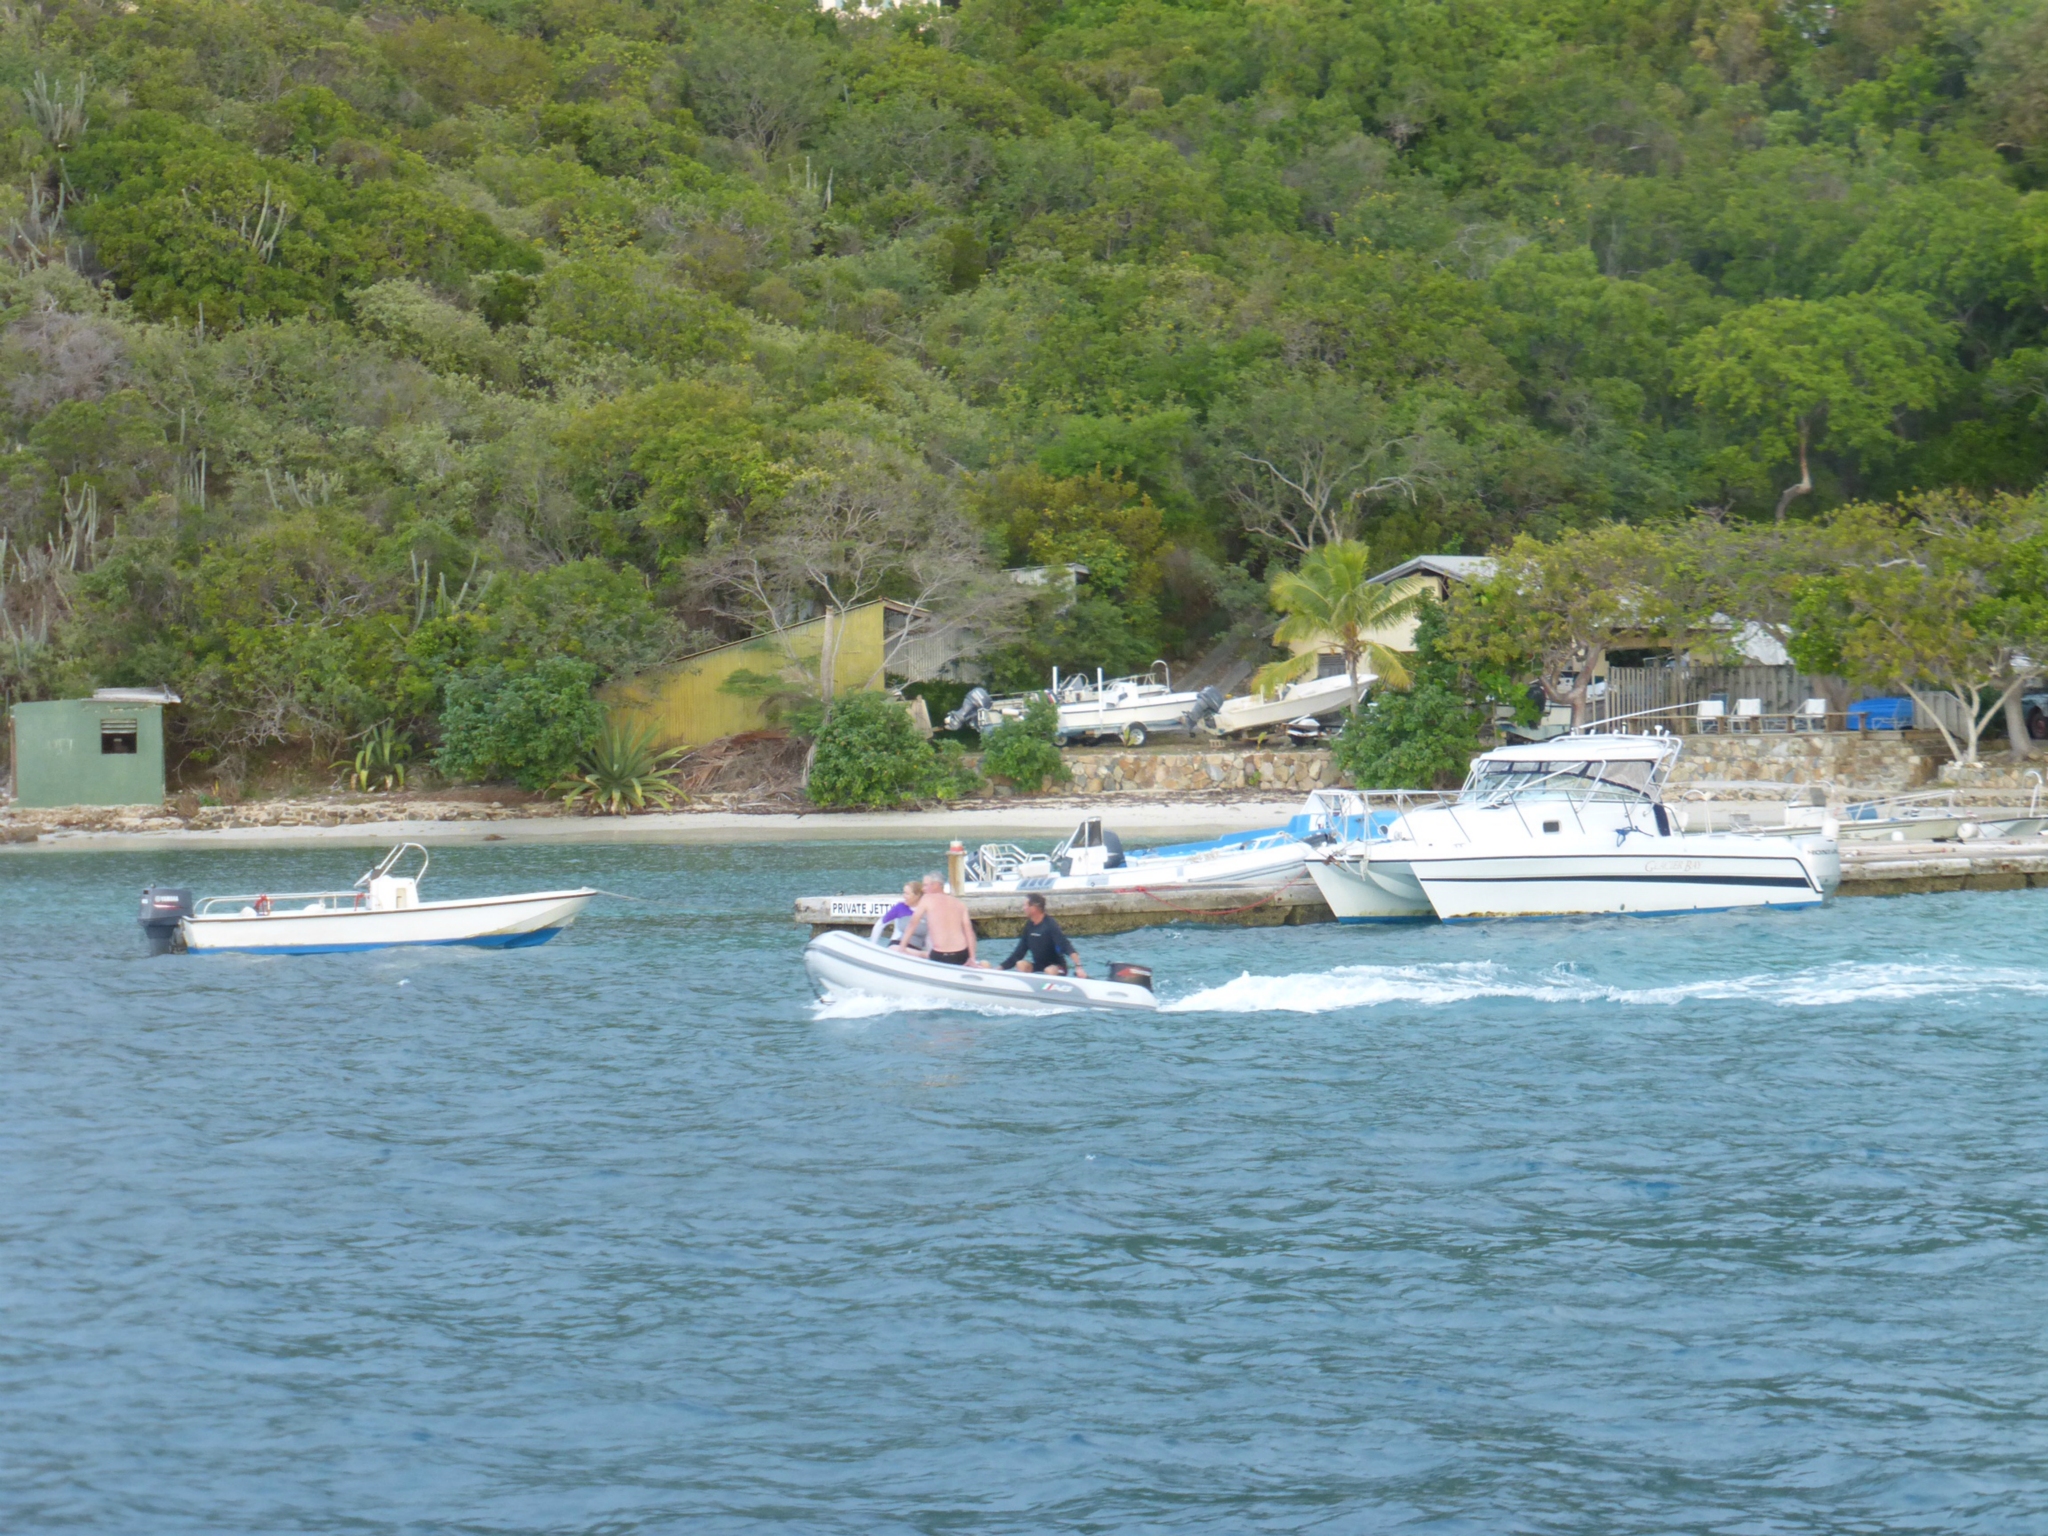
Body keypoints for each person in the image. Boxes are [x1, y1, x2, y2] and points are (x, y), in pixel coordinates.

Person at [898, 869, 979, 966]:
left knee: (895, 948)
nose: (923, 889)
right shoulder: (959, 904)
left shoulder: (927, 899)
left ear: (936, 885)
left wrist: (902, 948)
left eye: (926, 885)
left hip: (941, 956)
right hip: (961, 954)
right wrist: (972, 958)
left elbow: (912, 924)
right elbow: (969, 932)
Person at [1001, 895, 1085, 977]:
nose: (1023, 908)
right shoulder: (1029, 926)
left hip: (1057, 967)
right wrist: (1000, 968)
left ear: (1034, 907)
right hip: (1039, 966)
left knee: (1049, 970)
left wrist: (1078, 967)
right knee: (1020, 964)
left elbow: (1066, 945)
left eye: (1025, 905)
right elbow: (1018, 954)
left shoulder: (1050, 924)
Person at [871, 879, 926, 950]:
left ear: (917, 895)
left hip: (916, 947)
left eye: (907, 894)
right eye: (904, 893)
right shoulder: (900, 907)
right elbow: (880, 924)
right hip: (897, 943)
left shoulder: (926, 910)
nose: (904, 896)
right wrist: (873, 946)